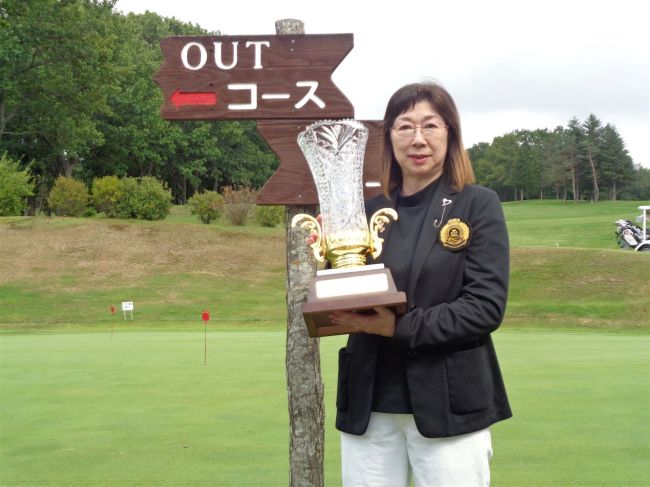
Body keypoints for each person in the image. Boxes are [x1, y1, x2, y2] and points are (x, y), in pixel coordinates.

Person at [329, 81, 512, 486]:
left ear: (450, 133)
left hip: (450, 406)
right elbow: (347, 292)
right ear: (389, 136)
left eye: (430, 126)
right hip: (369, 406)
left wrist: (398, 326)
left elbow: (484, 307)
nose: (417, 139)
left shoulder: (477, 204)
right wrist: (324, 258)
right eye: (404, 126)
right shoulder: (365, 212)